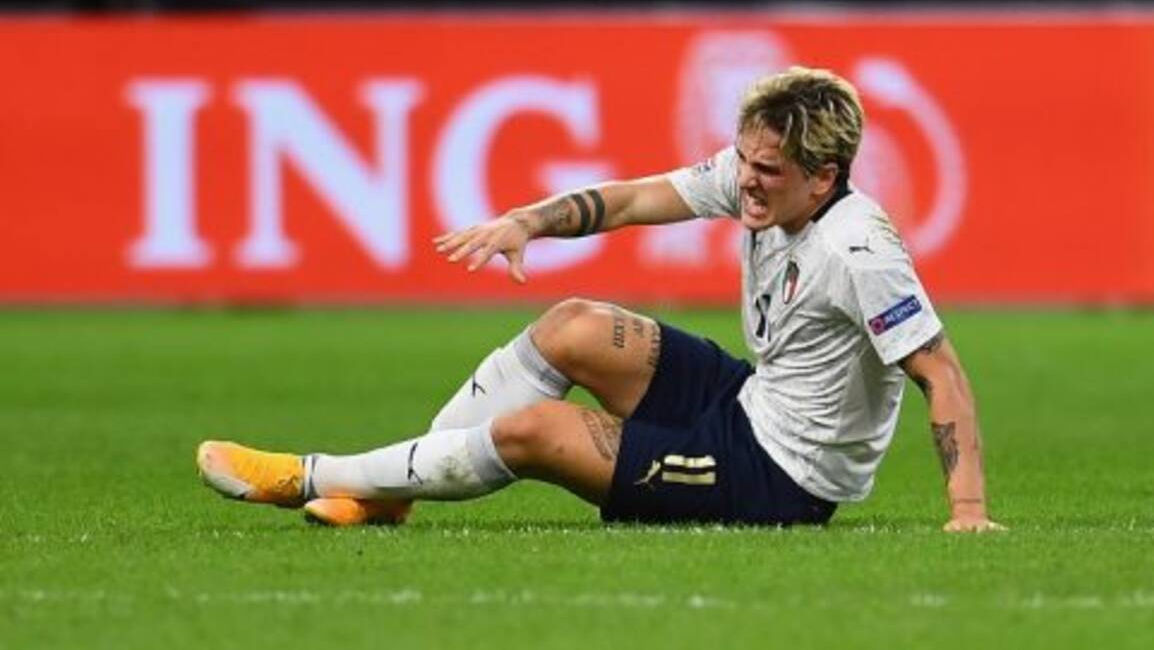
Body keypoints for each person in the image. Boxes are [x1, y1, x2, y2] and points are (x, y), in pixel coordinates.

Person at [197, 66, 1003, 533]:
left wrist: (967, 508)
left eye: (769, 171)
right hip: (750, 401)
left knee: (534, 430)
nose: (748, 182)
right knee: (573, 325)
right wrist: (527, 221)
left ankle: (308, 475)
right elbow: (630, 200)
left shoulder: (859, 251)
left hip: (782, 476)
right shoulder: (756, 176)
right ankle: (389, 497)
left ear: (824, 178)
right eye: (746, 161)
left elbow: (942, 373)